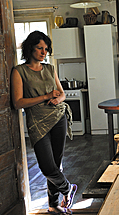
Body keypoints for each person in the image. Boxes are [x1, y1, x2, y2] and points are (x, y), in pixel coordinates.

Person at [11, 31, 77, 214]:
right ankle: (67, 188)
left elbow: (61, 93)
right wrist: (47, 96)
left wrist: (58, 100)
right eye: (40, 48)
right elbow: (18, 102)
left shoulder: (49, 69)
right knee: (47, 167)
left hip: (58, 118)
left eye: (46, 49)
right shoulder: (19, 71)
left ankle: (53, 204)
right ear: (30, 47)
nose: (43, 52)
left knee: (56, 164)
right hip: (37, 123)